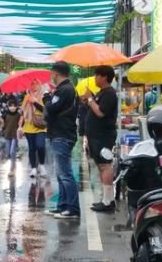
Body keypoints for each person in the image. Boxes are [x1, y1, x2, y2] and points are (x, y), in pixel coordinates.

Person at [44, 61, 80, 220]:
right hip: (59, 133)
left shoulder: (65, 89)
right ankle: (62, 206)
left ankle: (72, 208)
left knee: (65, 173)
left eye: (52, 73)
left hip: (62, 134)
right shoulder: (65, 89)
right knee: (60, 173)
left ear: (56, 73)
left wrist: (46, 97)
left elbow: (51, 108)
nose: (51, 76)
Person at [84, 65, 117, 213]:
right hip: (96, 136)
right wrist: (90, 98)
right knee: (100, 166)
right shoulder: (102, 93)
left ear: (104, 76)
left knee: (105, 165)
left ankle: (108, 201)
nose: (95, 78)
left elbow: (101, 113)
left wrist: (91, 99)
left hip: (103, 136)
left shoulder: (109, 93)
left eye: (97, 75)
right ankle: (106, 198)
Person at [19, 79, 47, 178]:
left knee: (40, 146)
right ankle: (33, 168)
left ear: (40, 85)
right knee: (32, 148)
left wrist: (34, 102)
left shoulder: (44, 96)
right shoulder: (27, 96)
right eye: (32, 83)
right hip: (28, 126)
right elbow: (22, 112)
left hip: (40, 126)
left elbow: (45, 110)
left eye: (36, 83)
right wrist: (20, 126)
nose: (34, 86)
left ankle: (42, 165)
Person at [2, 98, 21, 177]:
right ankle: (13, 164)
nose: (12, 107)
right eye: (11, 106)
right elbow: (2, 124)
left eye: (14, 106)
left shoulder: (18, 115)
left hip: (15, 136)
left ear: (16, 106)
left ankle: (12, 169)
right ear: (8, 106)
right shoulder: (5, 114)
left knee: (12, 151)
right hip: (7, 135)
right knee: (8, 152)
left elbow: (21, 124)